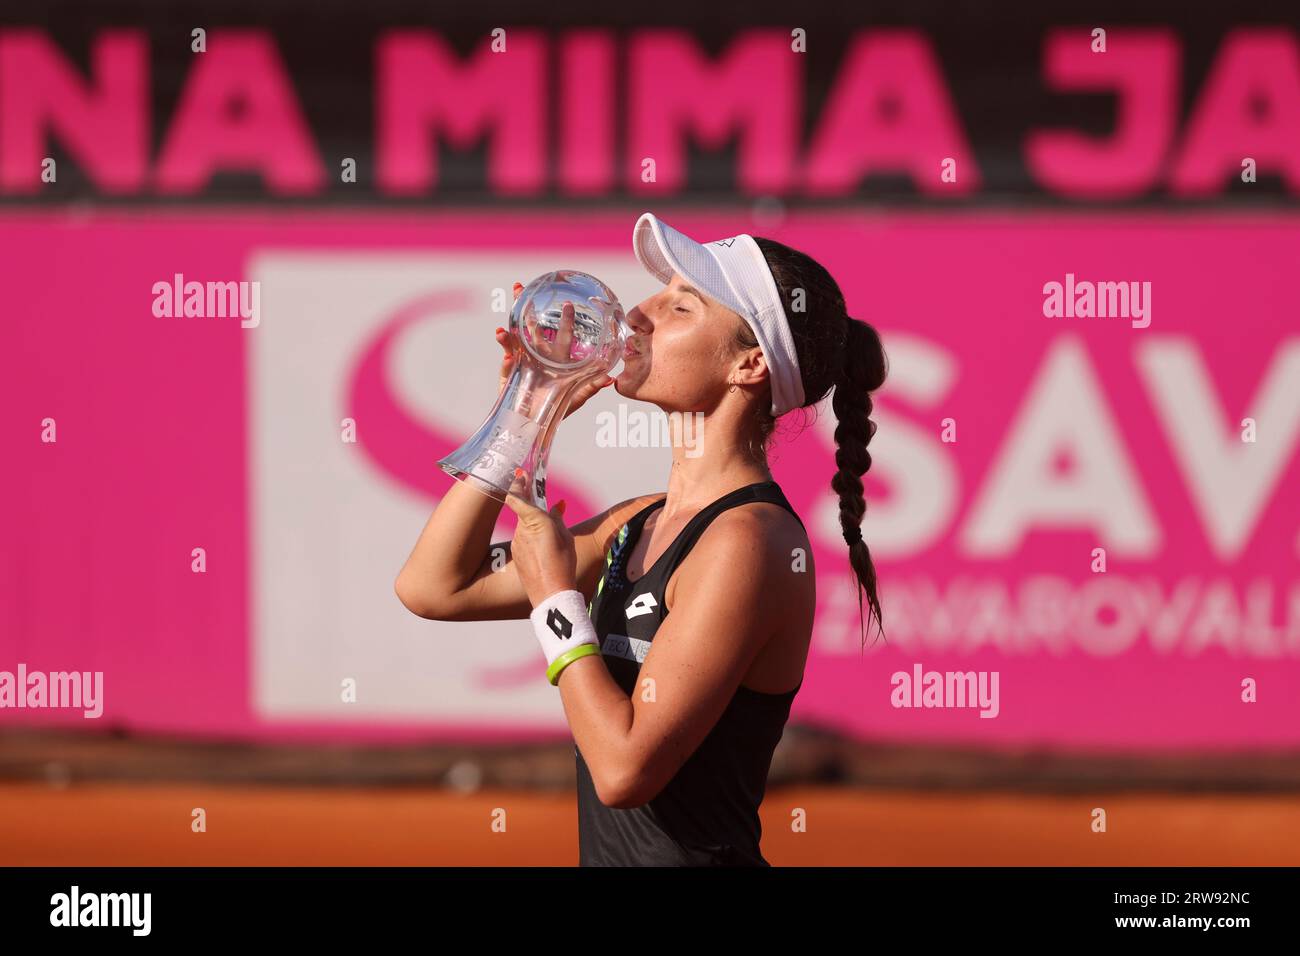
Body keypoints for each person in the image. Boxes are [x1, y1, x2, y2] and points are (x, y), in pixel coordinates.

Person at [396, 212, 888, 866]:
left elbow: (625, 771)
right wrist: (524, 413)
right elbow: (433, 586)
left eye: (680, 305)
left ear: (748, 364)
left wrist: (554, 602)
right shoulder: (640, 519)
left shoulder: (750, 541)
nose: (638, 315)